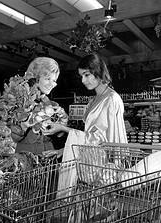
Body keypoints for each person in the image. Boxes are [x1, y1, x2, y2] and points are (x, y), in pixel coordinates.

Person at [43, 53, 127, 196]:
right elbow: (87, 138)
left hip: (105, 170)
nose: (83, 80)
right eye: (81, 76)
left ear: (98, 72)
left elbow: (101, 139)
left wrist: (64, 128)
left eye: (86, 75)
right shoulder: (93, 100)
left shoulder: (111, 99)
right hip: (89, 167)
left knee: (101, 213)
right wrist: (62, 151)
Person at [10, 57, 64, 156]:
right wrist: (24, 125)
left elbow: (59, 135)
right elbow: (12, 137)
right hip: (26, 156)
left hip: (48, 156)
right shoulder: (19, 101)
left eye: (54, 80)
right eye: (48, 79)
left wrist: (61, 124)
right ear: (35, 77)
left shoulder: (51, 105)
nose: (52, 84)